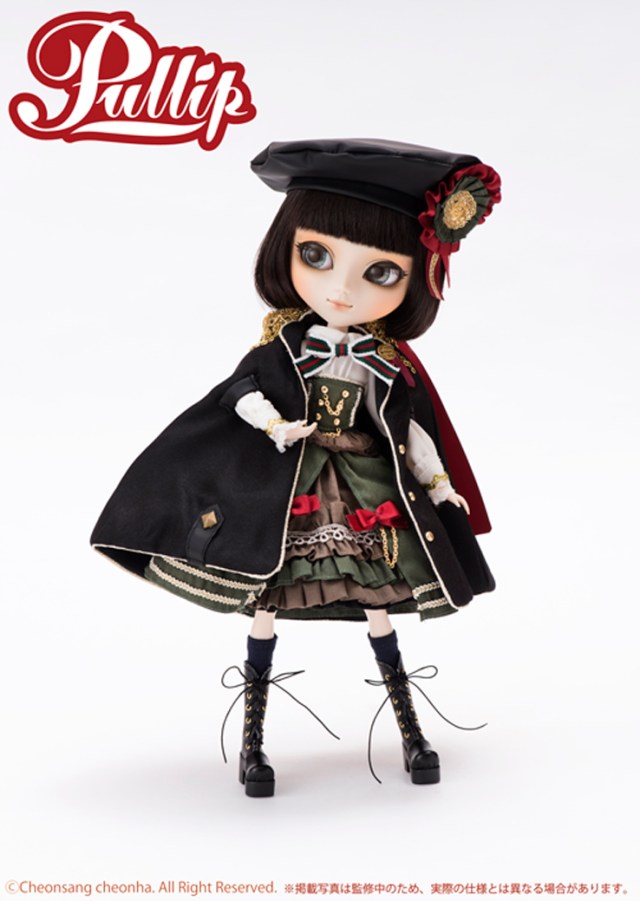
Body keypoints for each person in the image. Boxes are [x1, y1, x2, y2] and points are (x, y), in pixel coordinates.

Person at [91, 138, 501, 797]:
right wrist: (277, 427)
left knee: (377, 604)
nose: (341, 289)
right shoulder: (281, 347)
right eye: (317, 256)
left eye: (380, 272)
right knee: (268, 601)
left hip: (363, 485)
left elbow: (409, 431)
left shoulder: (385, 361)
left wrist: (440, 483)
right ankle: (253, 741)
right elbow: (238, 396)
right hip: (289, 490)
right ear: (285, 250)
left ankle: (410, 729)